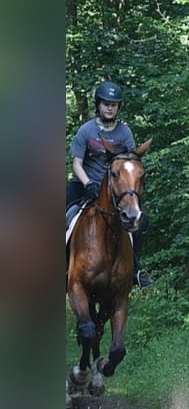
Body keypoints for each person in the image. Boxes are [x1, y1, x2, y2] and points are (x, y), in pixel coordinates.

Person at [66, 81, 155, 289]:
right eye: (106, 103)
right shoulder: (86, 131)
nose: (110, 107)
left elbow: (131, 162)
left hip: (115, 191)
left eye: (114, 104)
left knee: (141, 221)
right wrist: (88, 183)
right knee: (64, 216)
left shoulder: (125, 132)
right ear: (98, 104)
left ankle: (135, 269)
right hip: (85, 185)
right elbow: (77, 163)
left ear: (118, 107)